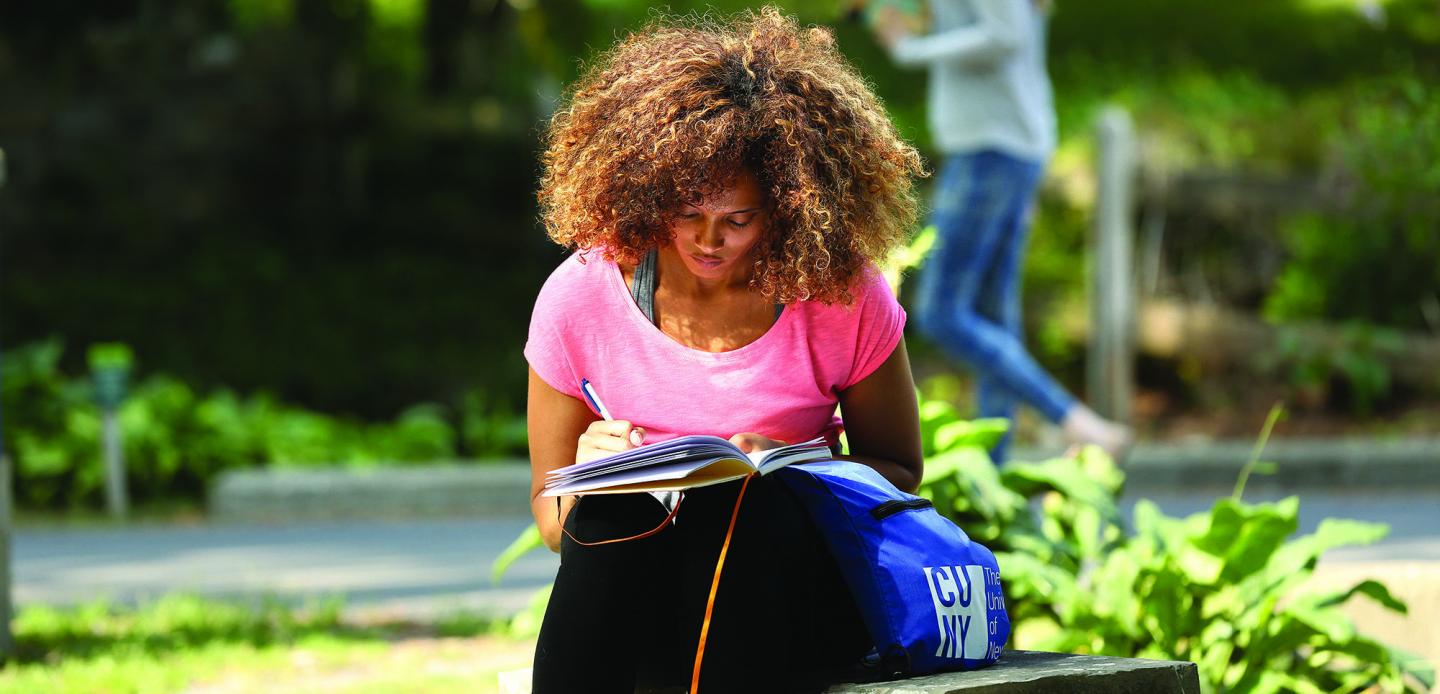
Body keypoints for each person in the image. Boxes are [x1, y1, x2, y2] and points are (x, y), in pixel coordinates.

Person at [523, 8, 927, 692]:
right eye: (688, 215)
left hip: (795, 589)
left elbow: (901, 470)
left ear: (790, 205)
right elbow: (555, 523)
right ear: (648, 195)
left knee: (752, 510)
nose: (710, 241)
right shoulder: (581, 297)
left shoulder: (837, 295)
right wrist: (593, 476)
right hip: (643, 592)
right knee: (613, 511)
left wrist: (793, 473)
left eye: (738, 221)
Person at [872, 0, 1132, 462]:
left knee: (942, 311)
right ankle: (996, 474)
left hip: (990, 151)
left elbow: (1004, 35)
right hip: (1006, 149)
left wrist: (913, 50)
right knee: (992, 317)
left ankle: (1076, 421)